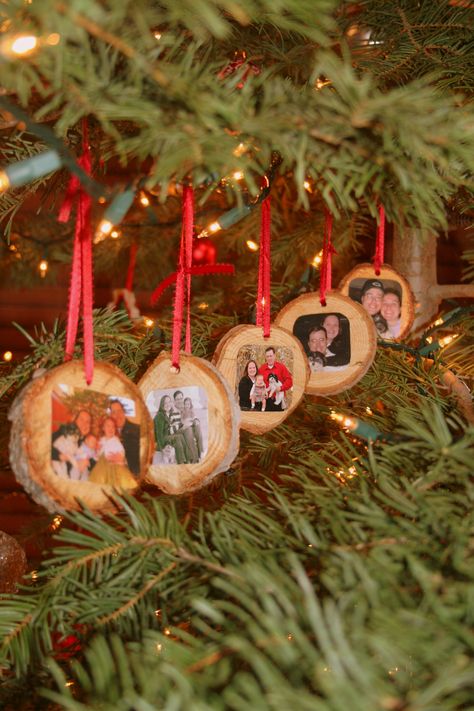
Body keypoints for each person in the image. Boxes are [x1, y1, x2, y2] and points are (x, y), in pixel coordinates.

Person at [89, 417, 136, 489]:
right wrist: (97, 450)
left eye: (113, 427)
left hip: (115, 465)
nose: (111, 428)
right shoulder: (101, 441)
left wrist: (120, 458)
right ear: (103, 428)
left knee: (118, 481)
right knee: (99, 480)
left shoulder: (116, 440)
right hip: (102, 466)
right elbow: (97, 456)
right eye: (108, 426)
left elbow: (121, 452)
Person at [52, 409, 95, 478]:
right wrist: (60, 456)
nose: (84, 424)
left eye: (88, 422)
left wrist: (86, 462)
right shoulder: (64, 431)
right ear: (75, 421)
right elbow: (45, 445)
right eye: (81, 420)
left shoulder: (88, 442)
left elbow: (92, 463)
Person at [153, 395, 188, 464]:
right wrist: (162, 448)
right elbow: (159, 434)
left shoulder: (168, 414)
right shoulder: (160, 416)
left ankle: (184, 458)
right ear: (162, 405)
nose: (167, 404)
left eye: (169, 402)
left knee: (180, 435)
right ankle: (182, 461)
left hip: (167, 436)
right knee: (178, 437)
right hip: (162, 439)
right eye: (165, 403)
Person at [109, 399, 140, 476]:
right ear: (111, 416)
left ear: (124, 412)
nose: (117, 415)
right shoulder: (108, 434)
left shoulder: (138, 430)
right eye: (114, 413)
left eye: (119, 411)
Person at [258, 347, 293, 411]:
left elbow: (289, 381)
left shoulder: (281, 367)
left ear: (274, 356)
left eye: (271, 356)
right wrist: (262, 392)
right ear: (265, 357)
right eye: (267, 356)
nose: (269, 358)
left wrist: (281, 388)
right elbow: (258, 383)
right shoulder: (261, 369)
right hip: (266, 401)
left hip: (278, 400)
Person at [173, 390, 203, 463]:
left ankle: (201, 453)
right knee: (188, 429)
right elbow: (174, 426)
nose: (180, 401)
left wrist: (196, 420)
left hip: (187, 425)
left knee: (198, 427)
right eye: (178, 399)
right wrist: (184, 425)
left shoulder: (185, 406)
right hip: (179, 429)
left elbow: (193, 416)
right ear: (175, 400)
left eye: (181, 398)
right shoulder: (173, 410)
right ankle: (194, 458)